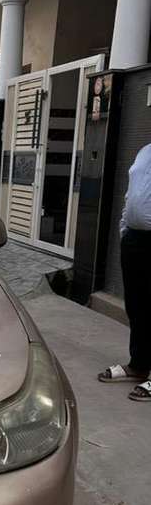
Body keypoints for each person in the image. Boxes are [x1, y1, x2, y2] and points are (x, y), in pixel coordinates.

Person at [98, 143, 151, 400]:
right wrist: (124, 229)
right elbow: (132, 195)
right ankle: (139, 365)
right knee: (137, 306)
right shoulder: (144, 151)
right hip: (135, 239)